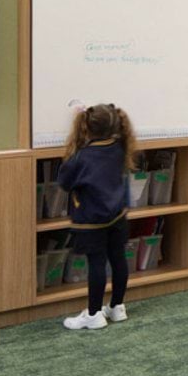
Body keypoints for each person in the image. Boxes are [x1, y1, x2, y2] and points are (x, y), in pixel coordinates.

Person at [57, 103, 137, 331]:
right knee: (118, 258)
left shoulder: (81, 157)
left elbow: (64, 182)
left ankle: (93, 314)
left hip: (92, 221)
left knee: (97, 263)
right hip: (118, 215)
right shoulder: (120, 147)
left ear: (86, 126)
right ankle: (117, 307)